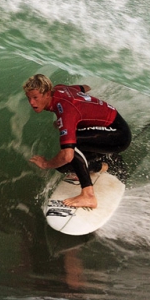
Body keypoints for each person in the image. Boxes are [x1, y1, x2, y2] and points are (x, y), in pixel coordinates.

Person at [24, 74, 132, 208]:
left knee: (70, 149)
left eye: (35, 98)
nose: (31, 102)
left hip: (118, 136)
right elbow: (85, 88)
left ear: (47, 94)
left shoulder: (66, 112)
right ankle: (101, 166)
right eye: (29, 98)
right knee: (63, 166)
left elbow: (67, 155)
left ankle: (88, 196)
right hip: (107, 130)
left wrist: (45, 164)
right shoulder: (59, 89)